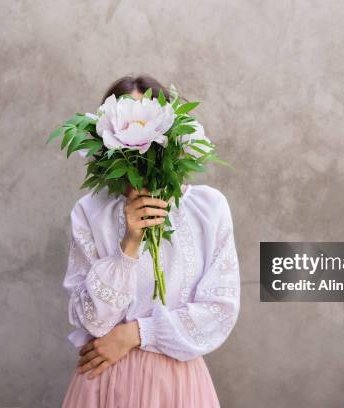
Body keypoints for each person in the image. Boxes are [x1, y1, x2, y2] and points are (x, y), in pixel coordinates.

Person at [61, 75, 241, 407]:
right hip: (105, 382)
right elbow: (92, 320)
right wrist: (129, 244)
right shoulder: (90, 212)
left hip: (178, 384)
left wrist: (138, 333)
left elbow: (219, 311)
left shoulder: (207, 208)